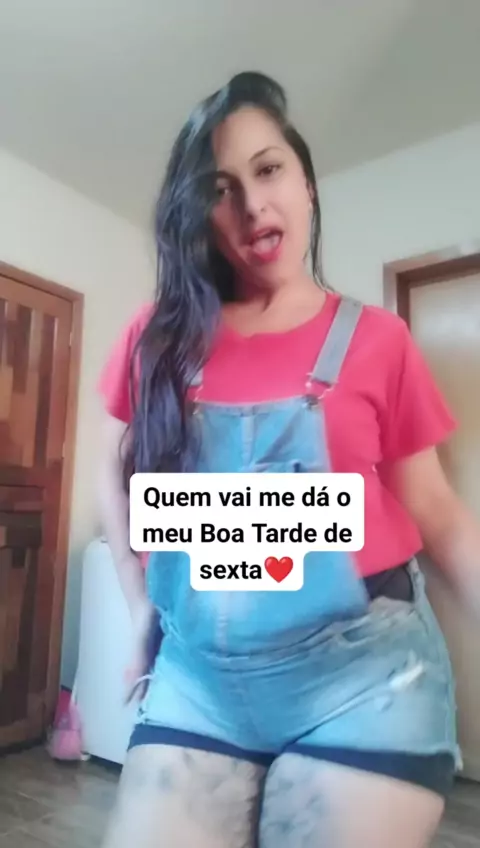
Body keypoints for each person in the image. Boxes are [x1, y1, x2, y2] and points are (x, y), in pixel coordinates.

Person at [97, 71, 480, 848]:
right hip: (198, 679)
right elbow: (119, 471)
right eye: (221, 189)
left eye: (268, 170)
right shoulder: (158, 337)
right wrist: (139, 609)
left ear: (306, 182)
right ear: (200, 215)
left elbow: (437, 512)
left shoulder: (378, 339)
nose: (252, 206)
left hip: (362, 678)